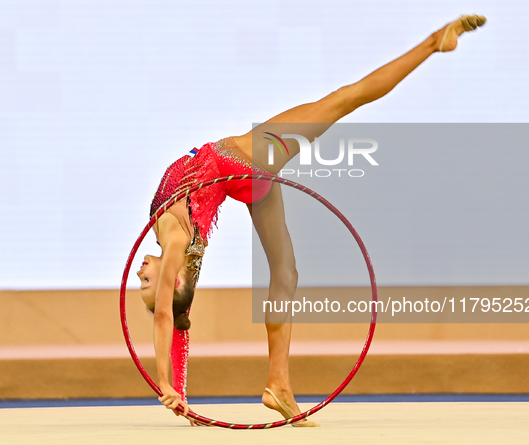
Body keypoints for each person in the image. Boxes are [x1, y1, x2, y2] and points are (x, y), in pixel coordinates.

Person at [136, 14, 487, 426]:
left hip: (244, 182)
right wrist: (168, 387)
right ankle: (432, 44)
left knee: (286, 271)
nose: (140, 272)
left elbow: (175, 319)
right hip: (243, 159)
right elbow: (167, 316)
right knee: (343, 99)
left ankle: (278, 383)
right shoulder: (176, 238)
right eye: (146, 282)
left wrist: (178, 392)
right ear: (175, 279)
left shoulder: (174, 241)